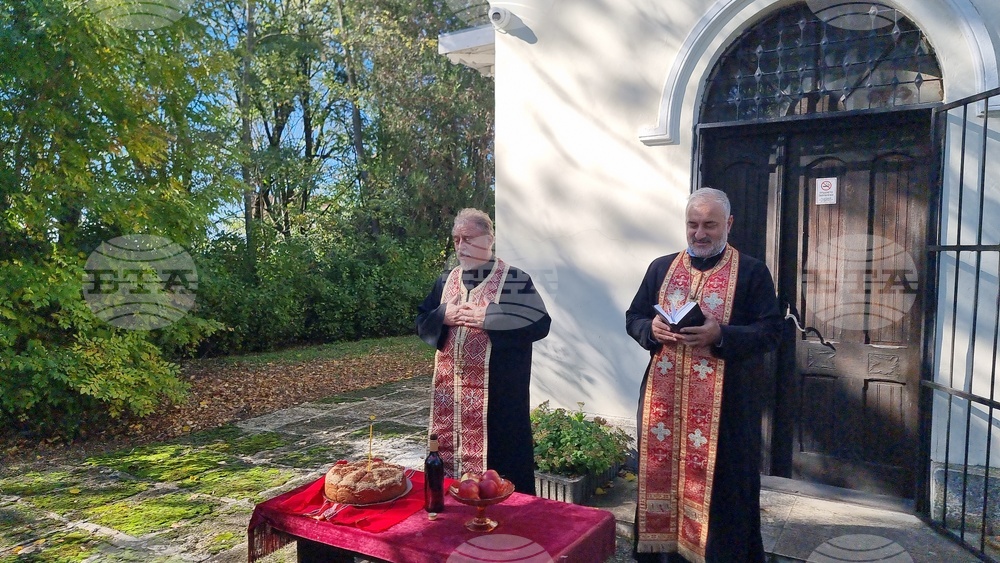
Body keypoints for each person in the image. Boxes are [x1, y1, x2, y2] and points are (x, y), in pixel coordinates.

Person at [625, 188, 784, 563]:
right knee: (660, 475)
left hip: (725, 408)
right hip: (663, 405)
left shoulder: (752, 271)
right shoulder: (661, 267)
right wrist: (652, 330)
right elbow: (633, 317)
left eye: (709, 225)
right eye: (692, 224)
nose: (700, 233)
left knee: (724, 488)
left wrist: (721, 335)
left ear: (728, 224)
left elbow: (772, 331)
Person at [416, 208, 551, 495]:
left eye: (468, 238)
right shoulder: (446, 280)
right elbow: (421, 320)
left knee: (502, 476)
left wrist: (489, 318)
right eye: (456, 239)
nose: (461, 246)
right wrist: (443, 315)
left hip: (498, 402)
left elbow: (539, 324)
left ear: (489, 239)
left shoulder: (513, 279)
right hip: (450, 399)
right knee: (448, 473)